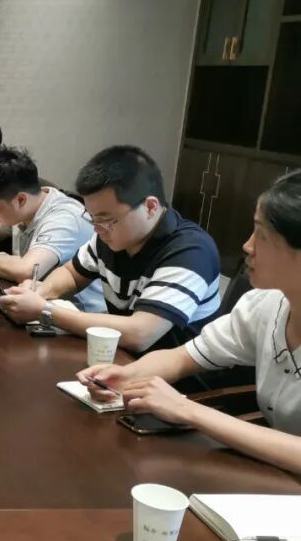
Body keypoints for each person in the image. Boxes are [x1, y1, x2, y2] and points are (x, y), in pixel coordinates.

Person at [76, 171, 301, 475]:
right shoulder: (265, 306)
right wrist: (126, 376)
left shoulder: (190, 247)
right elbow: (183, 357)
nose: (247, 246)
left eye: (261, 234)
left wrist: (188, 410)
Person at [0, 145, 220, 354]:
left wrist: (45, 311)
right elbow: (72, 274)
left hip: (172, 376)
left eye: (106, 219)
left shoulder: (191, 251)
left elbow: (140, 334)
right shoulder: (110, 236)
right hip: (118, 357)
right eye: (92, 217)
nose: (96, 228)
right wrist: (40, 291)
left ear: (150, 207)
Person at [0, 148, 105, 311]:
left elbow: (26, 270)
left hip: (80, 313)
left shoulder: (63, 217)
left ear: (20, 199)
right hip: (40, 304)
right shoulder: (26, 206)